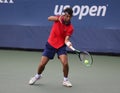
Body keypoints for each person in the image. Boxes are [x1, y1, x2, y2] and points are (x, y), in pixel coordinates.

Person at [29, 7, 74, 87]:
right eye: (66, 16)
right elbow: (49, 18)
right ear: (63, 15)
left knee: (65, 63)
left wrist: (68, 43)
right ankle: (37, 76)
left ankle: (65, 80)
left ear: (71, 17)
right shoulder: (58, 18)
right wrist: (58, 18)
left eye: (69, 16)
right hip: (51, 44)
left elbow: (66, 39)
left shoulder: (70, 28)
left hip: (61, 46)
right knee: (42, 64)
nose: (68, 18)